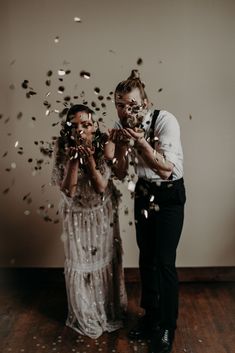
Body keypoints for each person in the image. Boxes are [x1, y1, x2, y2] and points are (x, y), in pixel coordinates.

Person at [109, 70, 186, 353]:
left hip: (169, 195)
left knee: (164, 261)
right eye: (119, 104)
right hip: (143, 194)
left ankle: (167, 326)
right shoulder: (120, 124)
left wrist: (140, 142)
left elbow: (167, 170)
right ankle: (151, 316)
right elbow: (118, 172)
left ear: (145, 102)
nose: (125, 110)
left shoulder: (165, 121)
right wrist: (119, 144)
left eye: (131, 104)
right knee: (146, 259)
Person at [51, 104, 127, 339]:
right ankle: (84, 311)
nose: (80, 130)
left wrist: (90, 162)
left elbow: (102, 186)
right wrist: (74, 160)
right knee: (79, 261)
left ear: (94, 126)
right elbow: (69, 191)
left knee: (104, 259)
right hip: (76, 213)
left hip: (100, 211)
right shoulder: (62, 147)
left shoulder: (104, 144)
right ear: (68, 130)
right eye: (74, 126)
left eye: (85, 125)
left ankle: (106, 309)